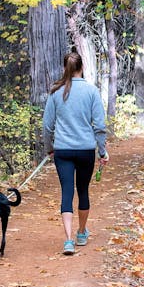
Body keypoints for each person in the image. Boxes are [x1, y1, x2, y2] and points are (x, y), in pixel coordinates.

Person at [42, 49, 108, 255]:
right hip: (85, 149)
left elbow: (47, 126)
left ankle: (68, 240)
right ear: (82, 67)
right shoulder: (91, 91)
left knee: (67, 192)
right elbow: (99, 126)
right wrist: (102, 151)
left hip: (62, 150)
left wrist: (49, 149)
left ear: (65, 68)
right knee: (83, 191)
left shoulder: (55, 92)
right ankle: (81, 233)